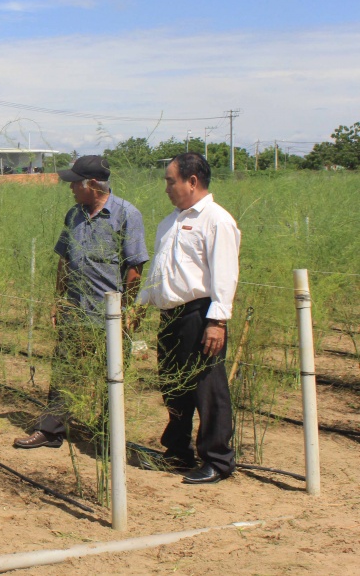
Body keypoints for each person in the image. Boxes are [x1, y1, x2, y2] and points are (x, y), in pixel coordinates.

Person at [14, 155, 148, 450]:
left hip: (109, 314)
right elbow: (64, 260)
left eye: (75, 183)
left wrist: (129, 309)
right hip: (75, 307)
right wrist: (57, 300)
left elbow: (135, 269)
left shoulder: (126, 215)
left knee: (110, 374)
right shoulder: (73, 215)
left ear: (93, 185)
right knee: (65, 369)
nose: (71, 188)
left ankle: (109, 435)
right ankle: (51, 431)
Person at [132, 152, 241, 484]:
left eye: (170, 180)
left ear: (191, 182)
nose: (166, 187)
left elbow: (225, 273)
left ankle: (217, 460)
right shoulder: (169, 222)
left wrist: (217, 321)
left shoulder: (217, 220)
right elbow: (159, 272)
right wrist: (140, 305)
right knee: (173, 387)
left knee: (207, 389)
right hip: (170, 316)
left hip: (200, 314)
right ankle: (177, 452)